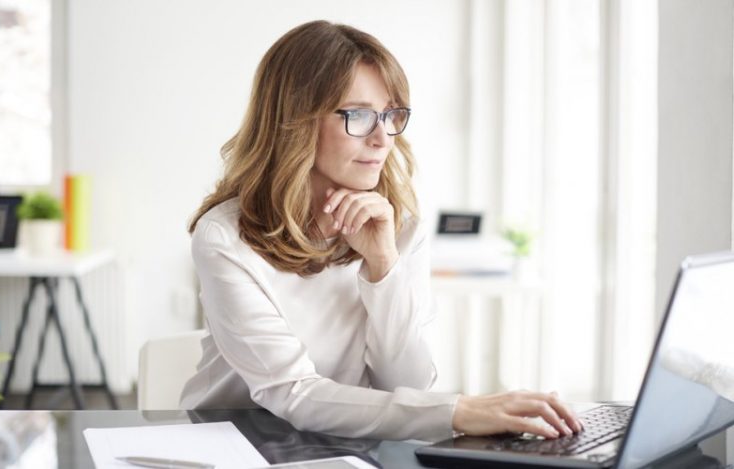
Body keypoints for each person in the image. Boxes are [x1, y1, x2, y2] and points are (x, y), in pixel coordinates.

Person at [180, 20, 582, 442]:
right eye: (358, 115)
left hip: (339, 443)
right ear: (295, 121)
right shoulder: (225, 238)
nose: (382, 138)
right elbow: (293, 393)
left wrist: (384, 266)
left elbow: (405, 386)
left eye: (391, 115)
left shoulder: (400, 226)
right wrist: (461, 410)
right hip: (230, 442)